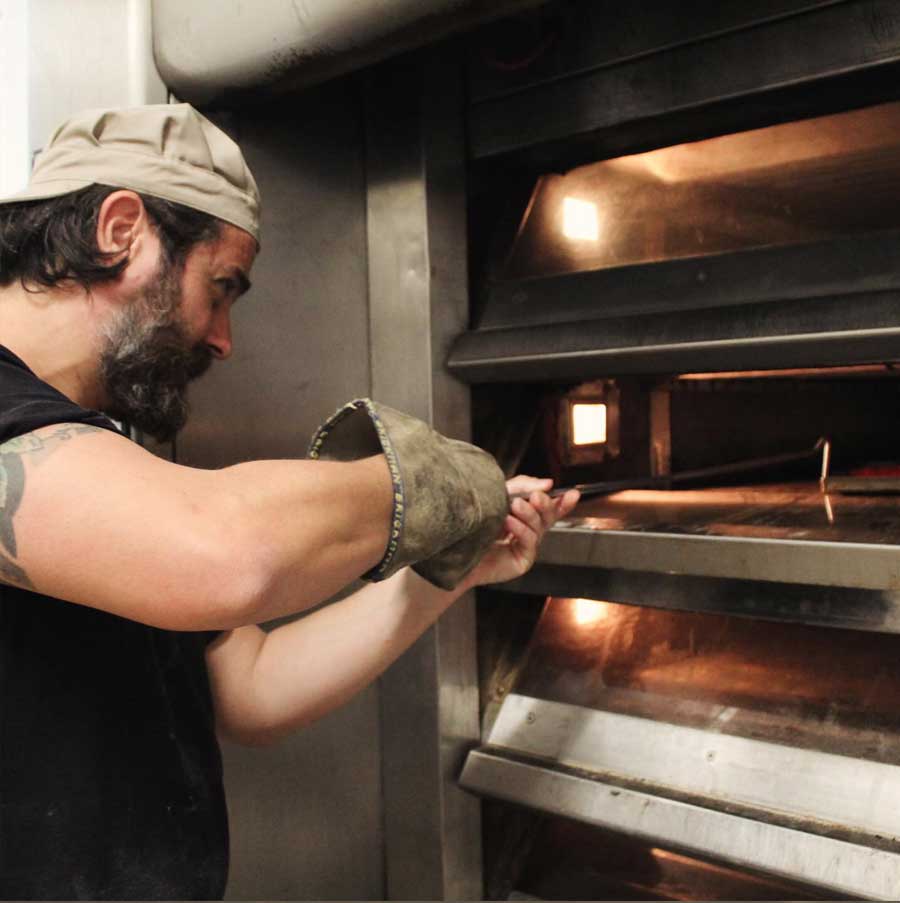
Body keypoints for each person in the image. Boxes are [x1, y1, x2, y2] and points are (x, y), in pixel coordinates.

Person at [0, 104, 579, 900]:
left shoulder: (101, 460)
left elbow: (252, 684)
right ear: (122, 230)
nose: (224, 338)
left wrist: (443, 570)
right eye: (222, 286)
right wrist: (444, 483)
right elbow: (226, 553)